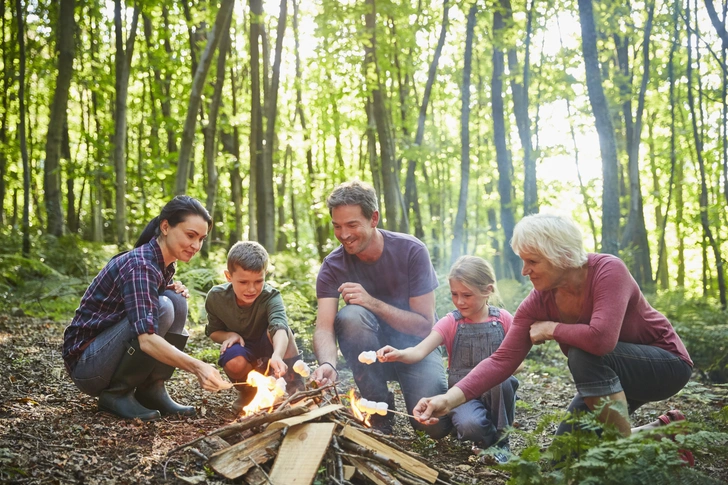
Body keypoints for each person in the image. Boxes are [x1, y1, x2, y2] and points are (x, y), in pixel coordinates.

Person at [413, 213, 693, 441]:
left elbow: (601, 341)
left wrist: (551, 328)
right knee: (565, 454)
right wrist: (447, 401)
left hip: (666, 365)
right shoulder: (538, 301)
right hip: (612, 378)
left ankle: (623, 449)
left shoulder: (608, 270)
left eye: (532, 261)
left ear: (560, 254)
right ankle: (662, 430)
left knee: (582, 355)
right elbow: (501, 360)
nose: (524, 270)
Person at [63, 195, 232, 421]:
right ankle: (116, 394)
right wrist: (198, 366)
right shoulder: (141, 265)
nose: (196, 245)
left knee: (176, 299)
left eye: (201, 238)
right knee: (163, 306)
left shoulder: (162, 264)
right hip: (88, 366)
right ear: (165, 227)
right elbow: (147, 339)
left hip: (104, 355)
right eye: (190, 235)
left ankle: (151, 389)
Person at [310, 180, 451, 437]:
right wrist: (328, 363)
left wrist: (371, 302)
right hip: (370, 353)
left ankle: (459, 391)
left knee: (433, 427)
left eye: (352, 225)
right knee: (350, 316)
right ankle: (379, 412)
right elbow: (324, 327)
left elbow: (424, 325)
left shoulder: (411, 251)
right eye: (337, 226)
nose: (343, 234)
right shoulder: (333, 265)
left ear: (373, 218)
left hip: (416, 349)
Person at [378, 256, 521, 459]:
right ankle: (482, 436)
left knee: (503, 381)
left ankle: (501, 445)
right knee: (470, 426)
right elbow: (420, 350)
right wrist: (400, 354)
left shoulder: (504, 319)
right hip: (462, 395)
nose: (459, 301)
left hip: (497, 394)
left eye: (467, 295)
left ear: (488, 290)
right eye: (454, 294)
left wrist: (494, 372)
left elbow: (519, 362)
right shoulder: (451, 322)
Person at [205, 241, 304, 413]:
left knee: (284, 332)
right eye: (243, 282)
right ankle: (250, 393)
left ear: (265, 274)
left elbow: (279, 326)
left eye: (258, 281)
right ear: (229, 276)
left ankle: (294, 386)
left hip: (268, 345)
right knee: (234, 362)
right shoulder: (216, 298)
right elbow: (213, 332)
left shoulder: (271, 296)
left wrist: (277, 355)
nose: (251, 289)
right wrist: (228, 336)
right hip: (243, 350)